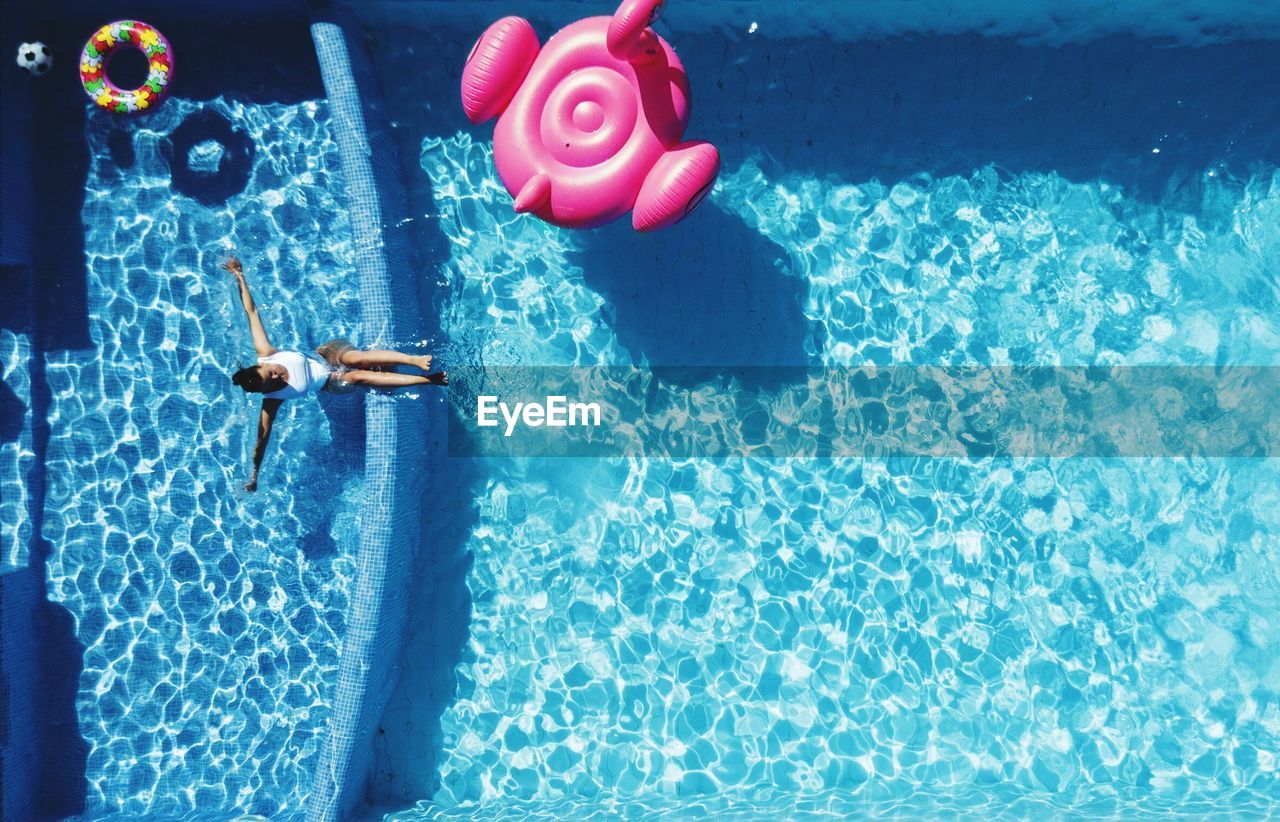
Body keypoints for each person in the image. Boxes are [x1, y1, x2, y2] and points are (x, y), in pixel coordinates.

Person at [224, 257, 445, 491]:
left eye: (272, 372)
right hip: (330, 382)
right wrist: (254, 476)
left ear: (263, 365)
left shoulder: (267, 354)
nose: (278, 375)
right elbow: (262, 440)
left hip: (328, 354)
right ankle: (426, 380)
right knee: (358, 377)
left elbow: (251, 312)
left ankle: (414, 360)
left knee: (356, 359)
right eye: (273, 382)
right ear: (265, 390)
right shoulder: (272, 402)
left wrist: (239, 275)